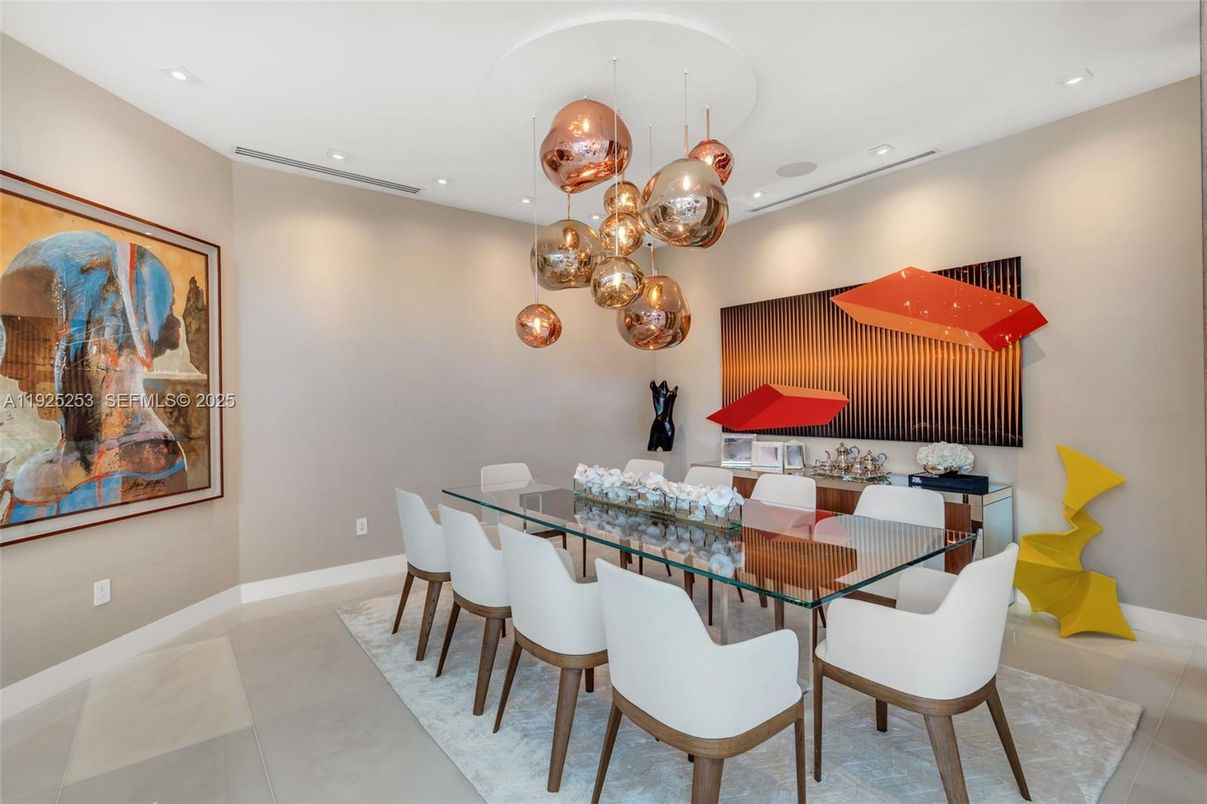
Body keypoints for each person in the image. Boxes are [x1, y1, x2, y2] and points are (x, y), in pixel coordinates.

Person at [0, 231, 188, 524]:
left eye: (29, 337)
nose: (7, 366)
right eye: (6, 335)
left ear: (107, 344)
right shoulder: (52, 467)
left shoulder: (137, 470)